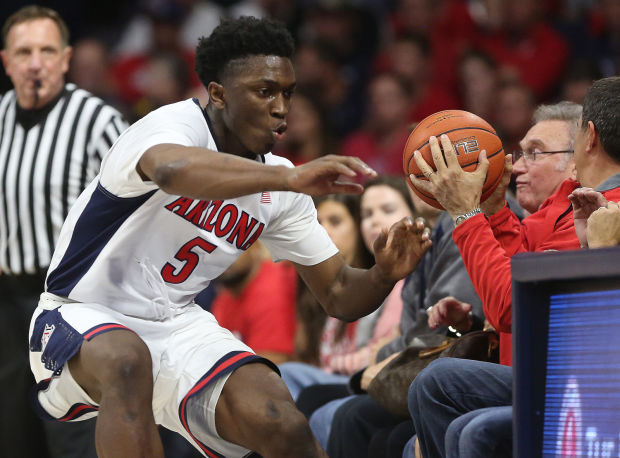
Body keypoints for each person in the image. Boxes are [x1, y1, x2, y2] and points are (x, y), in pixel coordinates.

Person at [27, 16, 431, 458]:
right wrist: (292, 178)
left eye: (288, 93)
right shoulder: (174, 124)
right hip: (80, 312)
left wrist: (382, 275)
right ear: (218, 93)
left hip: (177, 324)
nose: (281, 107)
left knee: (281, 421)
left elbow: (337, 293)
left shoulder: (280, 184)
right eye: (265, 91)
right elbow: (172, 170)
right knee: (127, 361)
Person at [409, 78, 620, 457]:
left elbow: (511, 307)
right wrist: (492, 211)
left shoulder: (604, 210)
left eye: (535, 153)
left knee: (441, 388)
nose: (519, 166)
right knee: (438, 426)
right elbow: (520, 267)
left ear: (587, 138)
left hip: (575, 382)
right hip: (540, 370)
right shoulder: (569, 203)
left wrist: (466, 215)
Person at [0, 6, 128, 458]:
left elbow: (139, 206)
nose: (36, 62)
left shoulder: (99, 122)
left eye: (46, 51)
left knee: (73, 430)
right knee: (13, 432)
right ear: (6, 61)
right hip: (9, 300)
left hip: (74, 302)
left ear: (66, 58)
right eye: (24, 51)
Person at [210, 241, 298, 365]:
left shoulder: (270, 289)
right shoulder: (224, 299)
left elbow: (272, 363)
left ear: (255, 247)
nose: (221, 256)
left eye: (229, 246)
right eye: (212, 249)